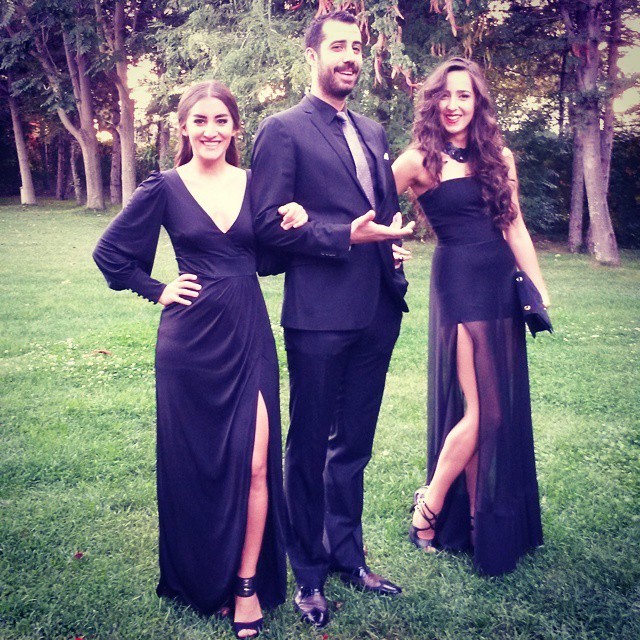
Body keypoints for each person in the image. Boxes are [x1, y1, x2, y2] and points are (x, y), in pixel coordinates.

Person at [92, 80, 362, 639]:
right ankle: (201, 573)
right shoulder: (164, 186)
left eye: (221, 120)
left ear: (235, 128)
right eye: (200, 121)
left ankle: (246, 585)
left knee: (258, 462)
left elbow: (269, 261)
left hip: (247, 333)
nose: (211, 130)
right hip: (188, 343)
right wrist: (158, 289)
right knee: (198, 465)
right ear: (183, 128)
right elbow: (110, 254)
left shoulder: (256, 184)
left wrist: (294, 220)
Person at [250, 10, 414, 627]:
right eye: (338, 46)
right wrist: (342, 234)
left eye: (357, 47)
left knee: (354, 446)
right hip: (318, 316)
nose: (349, 57)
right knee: (308, 445)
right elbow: (265, 227)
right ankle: (310, 575)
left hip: (377, 311)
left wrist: (391, 248)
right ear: (313, 55)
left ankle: (349, 556)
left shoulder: (372, 130)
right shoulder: (282, 130)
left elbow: (383, 211)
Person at [393, 57, 548, 576]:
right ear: (432, 102)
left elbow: (515, 226)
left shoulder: (498, 156)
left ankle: (482, 520)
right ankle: (429, 505)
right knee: (486, 413)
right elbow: (368, 205)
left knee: (491, 407)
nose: (454, 104)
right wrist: (387, 243)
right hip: (458, 283)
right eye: (446, 94)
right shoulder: (417, 161)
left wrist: (537, 289)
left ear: (478, 103)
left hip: (500, 284)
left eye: (465, 95)